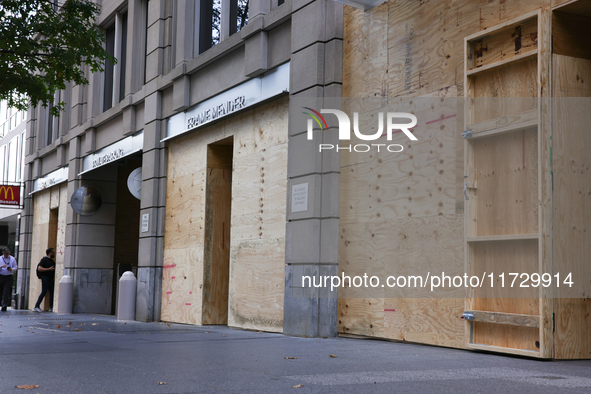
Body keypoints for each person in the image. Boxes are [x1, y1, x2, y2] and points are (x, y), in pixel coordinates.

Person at [33, 248, 56, 313]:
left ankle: (51, 307)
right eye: (53, 252)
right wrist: (49, 269)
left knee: (51, 292)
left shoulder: (52, 261)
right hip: (45, 277)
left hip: (50, 278)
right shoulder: (44, 260)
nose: (53, 254)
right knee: (44, 291)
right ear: (50, 253)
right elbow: (39, 268)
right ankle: (36, 306)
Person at [0, 247, 17, 312]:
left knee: (6, 291)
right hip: (1, 276)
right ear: (3, 253)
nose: (7, 255)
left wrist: (11, 269)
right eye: (5, 253)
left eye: (8, 253)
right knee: (1, 291)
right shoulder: (0, 259)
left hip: (8, 276)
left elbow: (15, 267)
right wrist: (1, 266)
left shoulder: (12, 259)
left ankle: (4, 305)